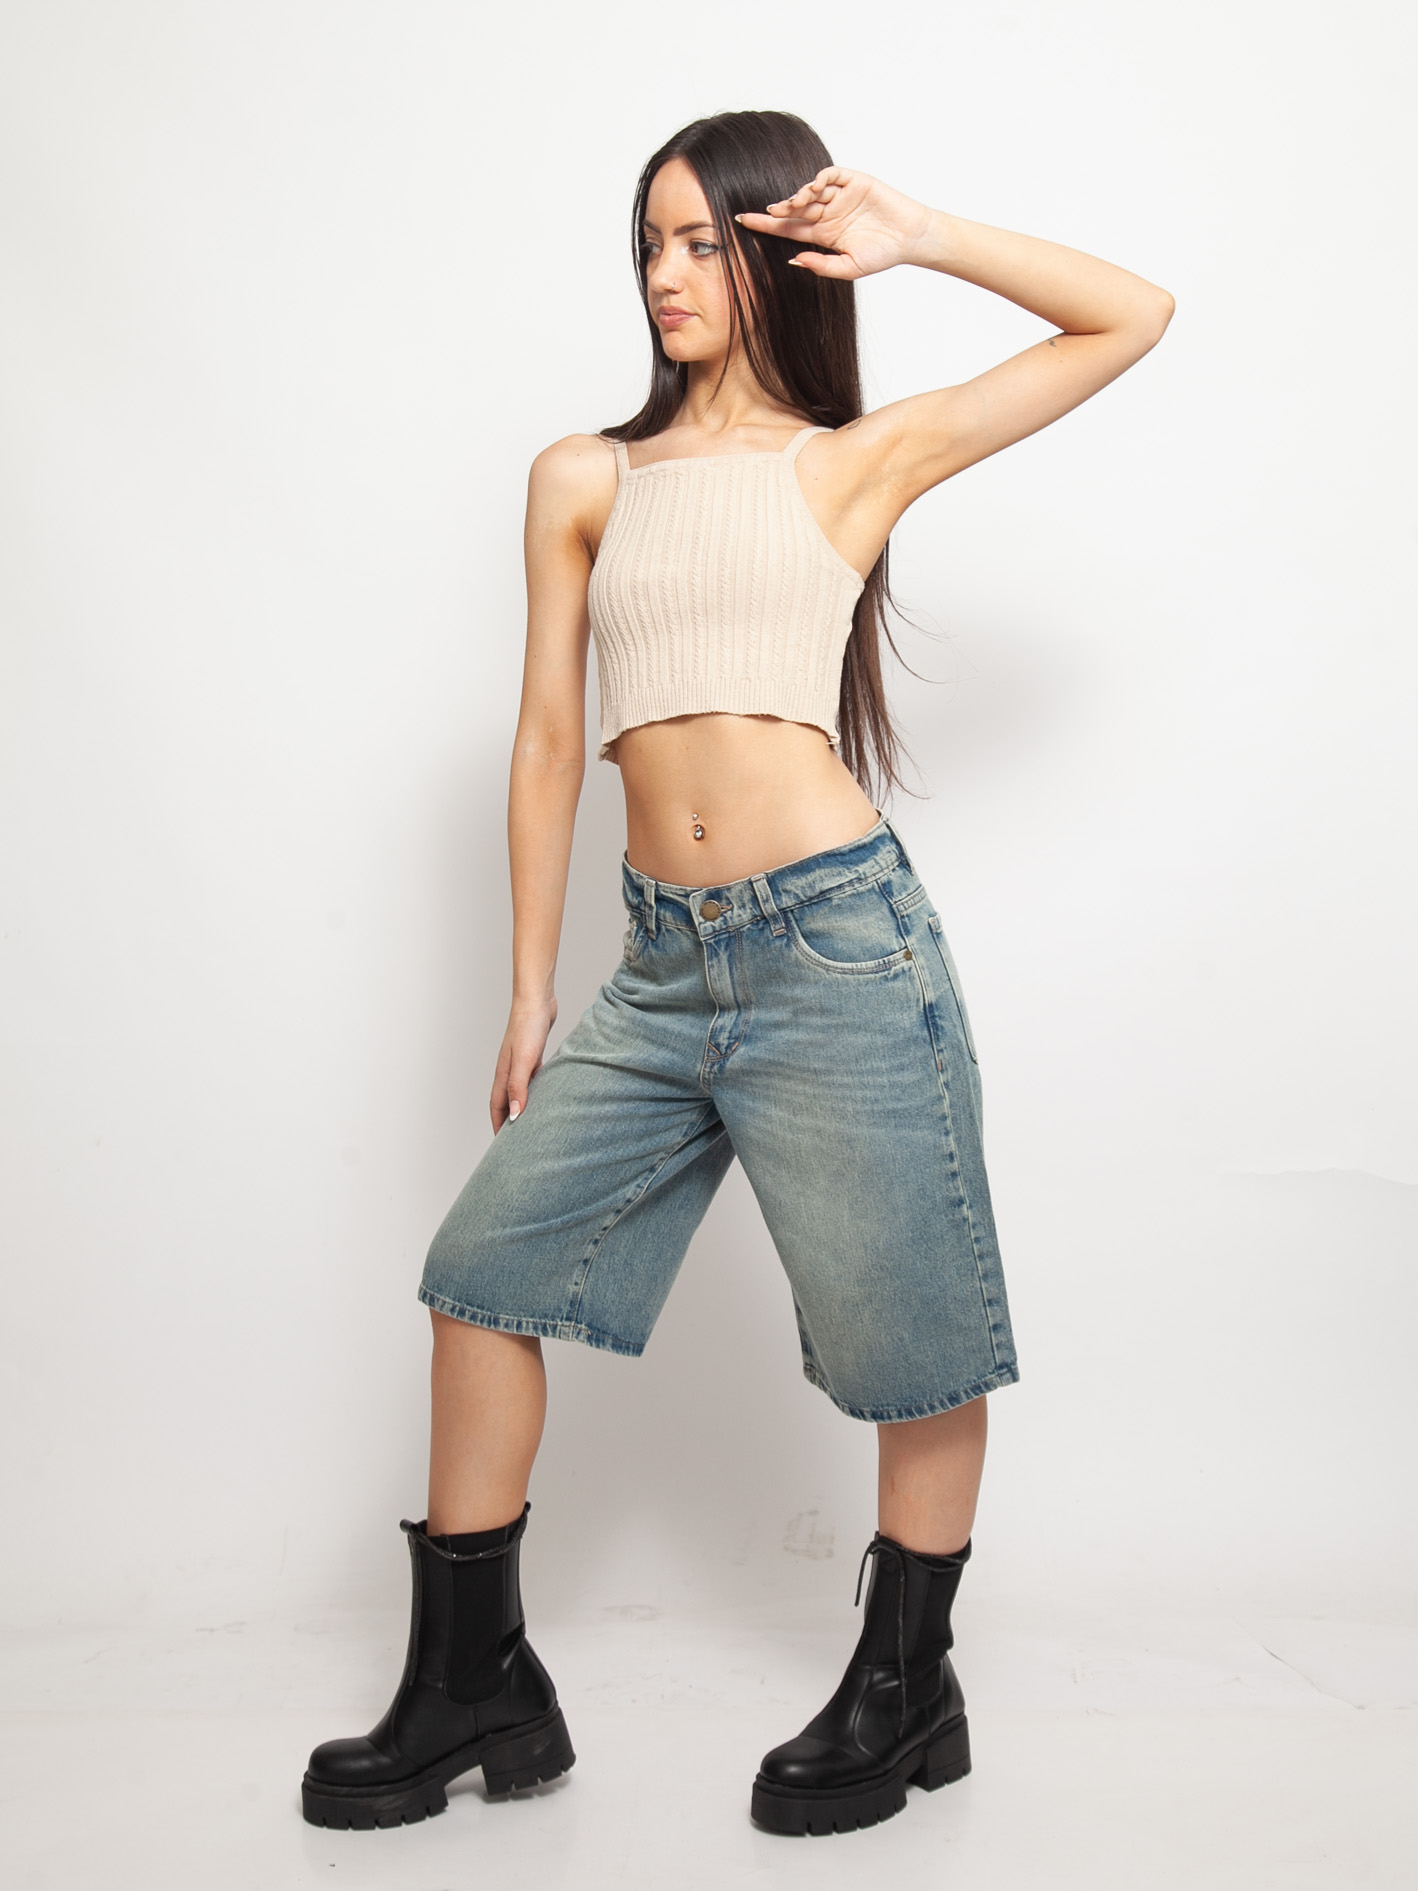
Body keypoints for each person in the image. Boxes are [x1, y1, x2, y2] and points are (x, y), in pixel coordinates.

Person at [300, 109, 1172, 1838]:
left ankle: (906, 1693)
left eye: (704, 240)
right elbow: (547, 741)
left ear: (780, 253)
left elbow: (1127, 314)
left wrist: (918, 234)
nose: (666, 274)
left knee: (908, 1339)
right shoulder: (583, 475)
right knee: (481, 1276)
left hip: (837, 947)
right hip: (657, 968)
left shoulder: (853, 461)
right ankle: (474, 1684)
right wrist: (530, 988)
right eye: (649, 242)